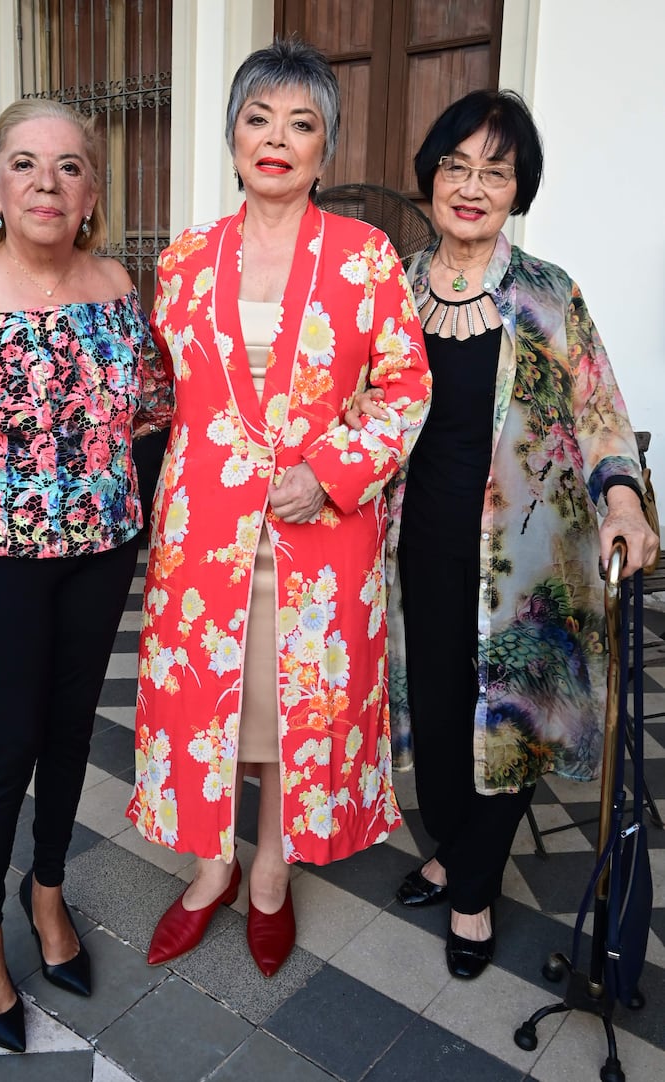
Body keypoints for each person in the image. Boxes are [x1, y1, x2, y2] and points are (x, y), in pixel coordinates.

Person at [125, 38, 431, 978]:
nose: (277, 139)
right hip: (206, 534)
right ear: (231, 138)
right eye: (258, 118)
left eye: (301, 124)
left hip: (317, 531)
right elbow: (158, 390)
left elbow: (405, 386)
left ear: (324, 151)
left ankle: (269, 871)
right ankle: (208, 866)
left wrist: (335, 469)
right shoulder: (183, 260)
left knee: (289, 705)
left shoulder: (365, 258)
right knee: (215, 703)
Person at [350, 89, 659, 981]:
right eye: (457, 166)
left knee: (512, 715)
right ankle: (452, 846)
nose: (473, 186)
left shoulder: (551, 296)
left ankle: (474, 889)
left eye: (497, 170)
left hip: (529, 562)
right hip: (412, 548)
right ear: (431, 179)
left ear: (519, 190)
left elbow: (601, 413)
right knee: (439, 715)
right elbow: (350, 403)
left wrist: (626, 500)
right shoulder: (393, 289)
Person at [0, 98, 170, 1051]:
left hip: (100, 552)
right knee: (6, 745)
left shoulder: (114, 285)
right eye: (25, 165)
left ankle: (46, 888)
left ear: (93, 193)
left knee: (71, 737)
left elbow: (151, 409)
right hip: (2, 562)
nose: (47, 184)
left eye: (68, 167)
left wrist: (130, 503)